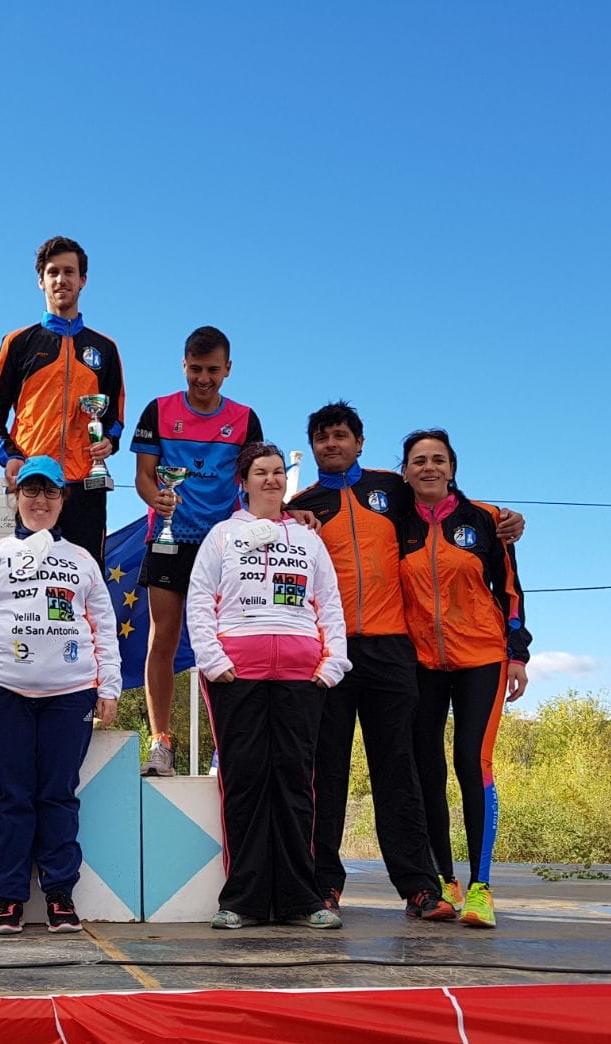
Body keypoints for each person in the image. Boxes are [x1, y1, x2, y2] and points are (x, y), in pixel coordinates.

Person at [288, 402, 523, 921]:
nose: (332, 444)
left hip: (394, 649)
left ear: (360, 442)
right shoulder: (300, 506)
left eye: (341, 435)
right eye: (322, 437)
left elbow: (450, 504)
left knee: (401, 771)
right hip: (331, 651)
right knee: (327, 773)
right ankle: (324, 884)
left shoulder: (392, 488)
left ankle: (420, 886)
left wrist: (505, 520)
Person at [187, 442, 350, 930]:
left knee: (297, 783)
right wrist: (212, 660)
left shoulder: (308, 539)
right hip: (237, 674)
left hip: (302, 674)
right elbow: (200, 599)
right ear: (244, 481)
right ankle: (243, 900)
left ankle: (303, 898)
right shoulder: (222, 534)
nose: (272, 479)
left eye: (278, 472)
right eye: (261, 472)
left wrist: (333, 663)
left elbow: (329, 601)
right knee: (245, 782)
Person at [0, 456, 121, 934]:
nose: (40, 501)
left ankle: (59, 893)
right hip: (2, 691)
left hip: (71, 693)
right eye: (31, 491)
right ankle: (8, 897)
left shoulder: (82, 559)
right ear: (16, 496)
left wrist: (109, 685)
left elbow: (104, 625)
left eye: (50, 491)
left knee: (58, 795)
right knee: (11, 797)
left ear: (62, 499)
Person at [397, 429, 532, 930]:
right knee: (426, 769)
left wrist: (517, 654)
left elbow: (511, 591)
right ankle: (443, 880)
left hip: (482, 656)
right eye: (418, 461)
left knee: (472, 762)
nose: (429, 467)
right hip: (421, 661)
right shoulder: (396, 522)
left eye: (438, 459)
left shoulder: (487, 520)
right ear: (404, 472)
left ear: (452, 468)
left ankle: (481, 887)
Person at [131, 325, 263, 777]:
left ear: (228, 369)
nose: (203, 379)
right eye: (195, 369)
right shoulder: (159, 410)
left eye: (212, 370)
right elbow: (144, 476)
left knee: (226, 643)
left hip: (223, 544)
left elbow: (254, 479)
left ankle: (226, 744)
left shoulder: (245, 418)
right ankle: (161, 742)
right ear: (183, 365)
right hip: (170, 539)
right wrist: (156, 498)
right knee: (163, 637)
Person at [0, 236, 125, 565]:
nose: (61, 279)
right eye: (53, 272)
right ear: (41, 281)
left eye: (69, 272)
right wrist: (11, 457)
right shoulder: (18, 342)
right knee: (23, 578)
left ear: (83, 280)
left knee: (85, 577)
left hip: (86, 485)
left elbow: (115, 418)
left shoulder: (105, 348)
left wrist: (109, 442)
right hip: (33, 484)